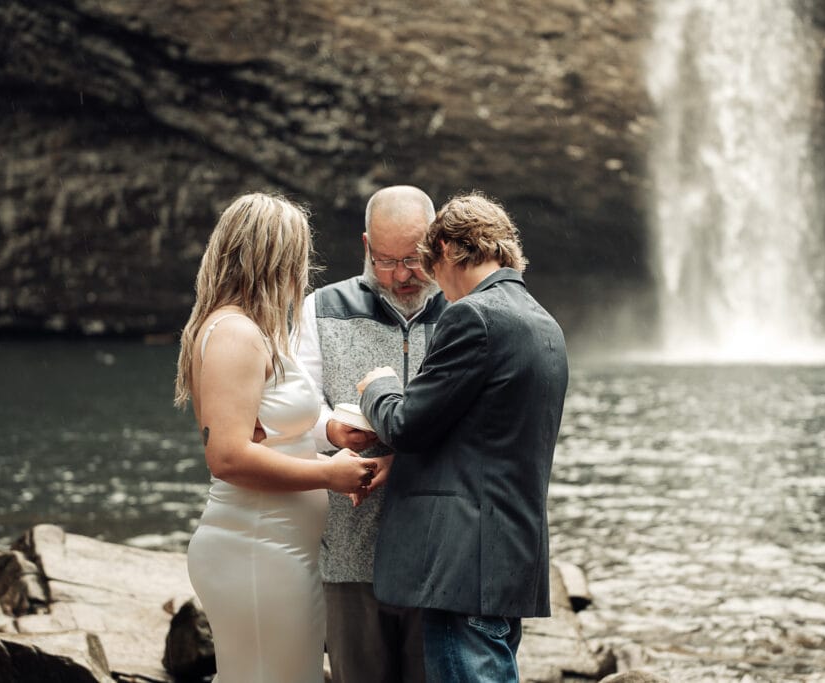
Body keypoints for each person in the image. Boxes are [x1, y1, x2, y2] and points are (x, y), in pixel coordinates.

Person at [356, 192, 569, 682]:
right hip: (508, 560)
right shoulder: (544, 322)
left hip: (463, 567)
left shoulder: (473, 316)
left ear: (449, 249)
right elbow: (488, 440)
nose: (439, 290)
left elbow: (407, 424)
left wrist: (379, 387)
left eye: (431, 267)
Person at [174, 192, 378, 683]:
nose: (303, 271)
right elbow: (227, 456)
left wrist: (329, 431)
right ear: (275, 258)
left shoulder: (255, 331)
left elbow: (267, 427)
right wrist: (328, 474)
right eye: (299, 257)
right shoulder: (235, 335)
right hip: (254, 549)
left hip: (275, 550)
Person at [295, 185, 446, 682]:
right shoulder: (321, 308)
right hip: (348, 551)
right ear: (365, 245)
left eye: (414, 258)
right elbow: (296, 409)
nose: (402, 275)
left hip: (440, 556)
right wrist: (333, 430)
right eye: (385, 260)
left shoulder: (465, 312)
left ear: (439, 245)